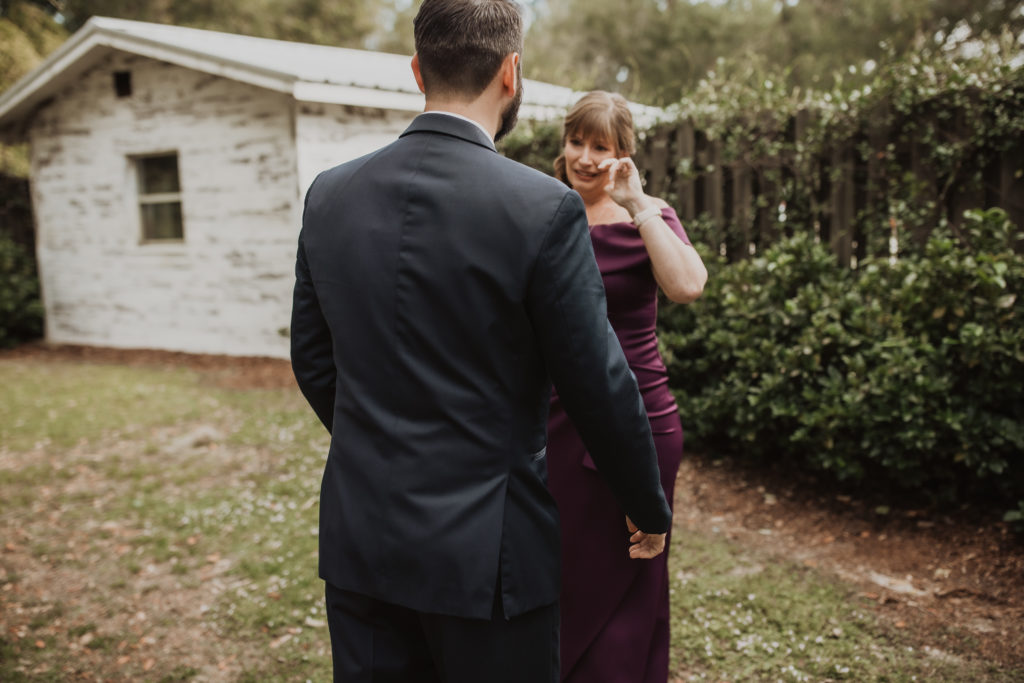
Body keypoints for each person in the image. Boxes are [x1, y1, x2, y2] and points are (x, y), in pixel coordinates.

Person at [289, 2, 673, 680]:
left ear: (416, 70)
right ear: (510, 72)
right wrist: (645, 504)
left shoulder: (329, 194)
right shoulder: (542, 208)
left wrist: (381, 445)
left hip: (363, 537)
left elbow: (313, 358)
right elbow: (598, 382)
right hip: (488, 554)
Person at [547, 91, 708, 683]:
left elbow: (688, 285)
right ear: (562, 145)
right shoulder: (542, 209)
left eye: (602, 147)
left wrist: (637, 205)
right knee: (565, 563)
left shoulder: (649, 212)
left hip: (642, 416)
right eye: (577, 143)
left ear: (623, 156)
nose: (586, 158)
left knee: (632, 567)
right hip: (559, 420)